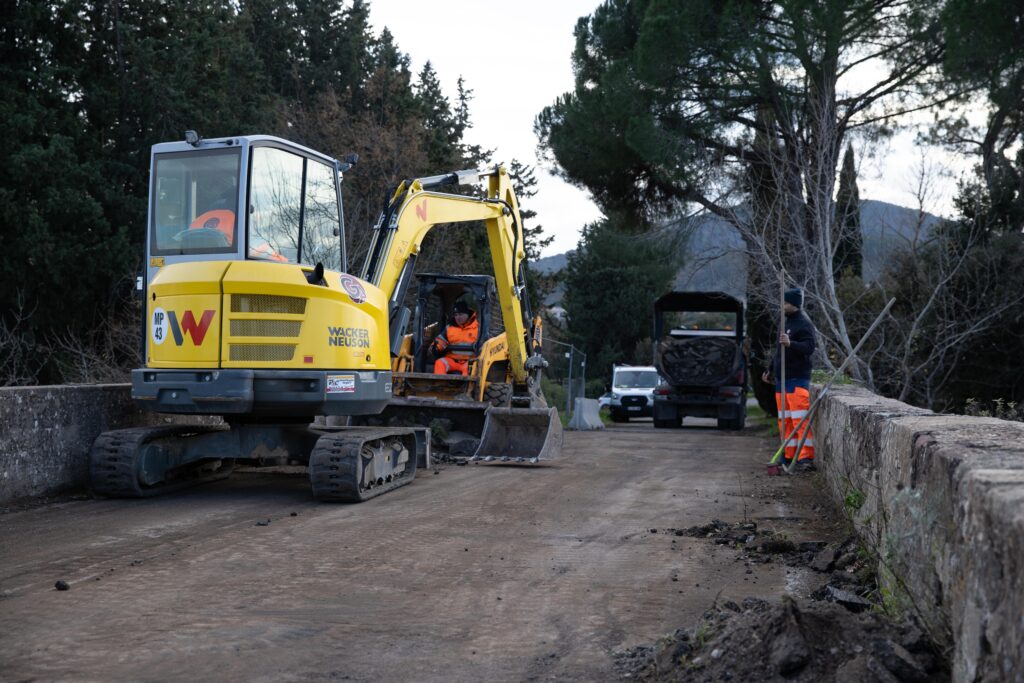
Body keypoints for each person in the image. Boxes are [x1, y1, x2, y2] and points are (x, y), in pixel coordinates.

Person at [761, 288, 817, 471]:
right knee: (785, 421)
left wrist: (791, 343)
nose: (782, 306)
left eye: (785, 303)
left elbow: (809, 347)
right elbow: (779, 351)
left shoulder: (804, 323)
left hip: (797, 379)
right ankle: (788, 455)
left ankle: (804, 459)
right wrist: (770, 370)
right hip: (781, 379)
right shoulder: (785, 322)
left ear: (794, 304)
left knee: (799, 420)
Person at [432, 300, 479, 375]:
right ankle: (440, 385)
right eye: (456, 315)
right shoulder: (449, 328)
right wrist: (436, 347)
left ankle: (466, 386)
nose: (458, 317)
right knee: (440, 363)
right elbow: (441, 341)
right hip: (452, 360)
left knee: (469, 369)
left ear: (467, 314)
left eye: (460, 314)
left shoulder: (478, 328)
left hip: (469, 362)